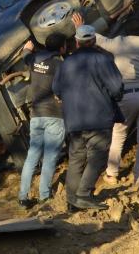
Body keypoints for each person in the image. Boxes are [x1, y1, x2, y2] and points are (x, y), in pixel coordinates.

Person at [71, 13, 139, 192]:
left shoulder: (118, 43)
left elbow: (94, 39)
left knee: (118, 135)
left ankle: (112, 174)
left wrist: (79, 27)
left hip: (124, 96)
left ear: (126, 32)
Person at [52, 24, 123, 211]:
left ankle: (71, 201)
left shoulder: (65, 63)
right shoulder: (102, 59)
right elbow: (117, 87)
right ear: (93, 40)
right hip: (98, 118)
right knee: (98, 157)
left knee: (76, 159)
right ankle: (83, 194)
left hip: (74, 121)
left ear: (76, 42)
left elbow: (56, 90)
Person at [17, 36, 66, 208]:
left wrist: (27, 48)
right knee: (50, 157)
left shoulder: (34, 60)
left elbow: (25, 55)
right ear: (61, 48)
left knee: (32, 156)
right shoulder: (59, 64)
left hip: (36, 115)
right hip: (54, 115)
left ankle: (23, 197)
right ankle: (44, 196)